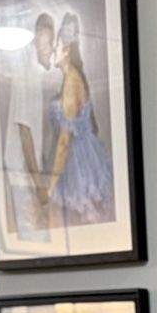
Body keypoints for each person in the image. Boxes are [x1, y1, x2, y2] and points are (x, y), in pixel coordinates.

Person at [39, 12, 115, 225]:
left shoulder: (72, 81)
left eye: (56, 46)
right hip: (79, 157)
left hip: (80, 161)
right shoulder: (70, 78)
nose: (52, 51)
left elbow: (64, 140)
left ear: (66, 51)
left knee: (85, 219)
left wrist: (52, 185)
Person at [0, 13, 58, 240]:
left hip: (40, 168)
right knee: (33, 236)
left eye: (49, 43)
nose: (46, 48)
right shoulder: (25, 77)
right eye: (42, 43)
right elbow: (26, 136)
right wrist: (38, 184)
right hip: (23, 171)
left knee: (46, 231)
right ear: (35, 41)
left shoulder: (47, 75)